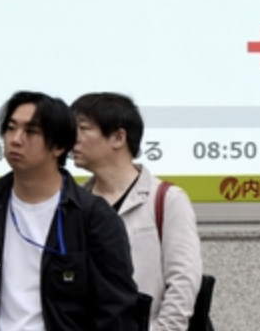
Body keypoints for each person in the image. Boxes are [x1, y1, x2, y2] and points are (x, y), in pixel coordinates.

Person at [0, 90, 140, 331]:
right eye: (11, 128)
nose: (15, 139)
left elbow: (116, 311)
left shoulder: (93, 217)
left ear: (59, 146)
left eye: (31, 132)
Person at [71, 92, 203, 331]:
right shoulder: (74, 203)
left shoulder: (166, 199)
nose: (73, 138)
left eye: (83, 128)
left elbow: (183, 281)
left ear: (118, 137)